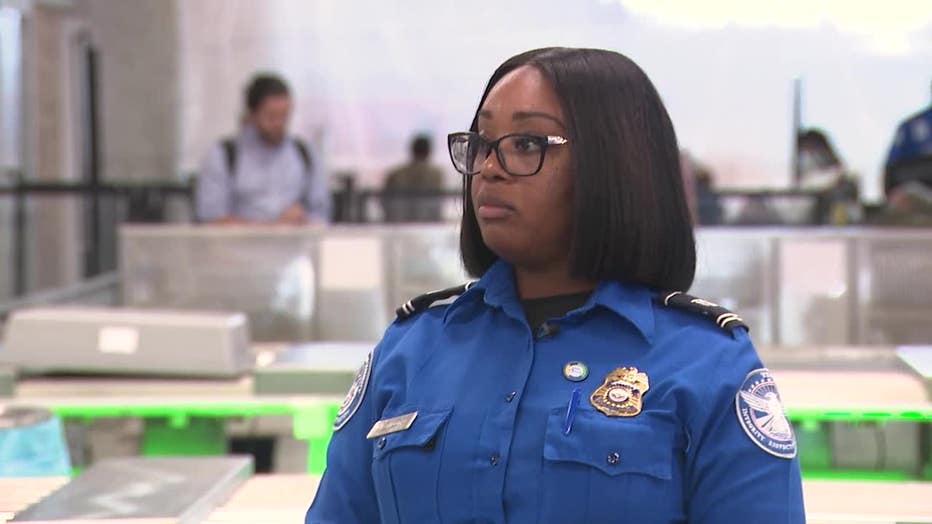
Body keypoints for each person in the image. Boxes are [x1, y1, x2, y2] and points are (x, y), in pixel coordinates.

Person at [306, 47, 804, 523]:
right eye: (481, 144)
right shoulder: (412, 350)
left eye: (527, 145)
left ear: (616, 166)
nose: (490, 169)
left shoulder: (707, 364)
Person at [196, 73, 329, 225]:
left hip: (294, 246)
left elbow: (321, 214)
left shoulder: (304, 153)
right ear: (252, 114)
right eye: (271, 117)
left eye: (284, 116)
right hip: (239, 246)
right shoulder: (224, 155)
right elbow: (211, 219)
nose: (278, 124)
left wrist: (303, 219)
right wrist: (270, 227)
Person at [382, 134, 447, 222]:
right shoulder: (436, 175)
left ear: (412, 150)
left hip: (400, 224)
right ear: (428, 151)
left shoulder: (396, 174)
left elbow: (385, 202)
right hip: (428, 225)